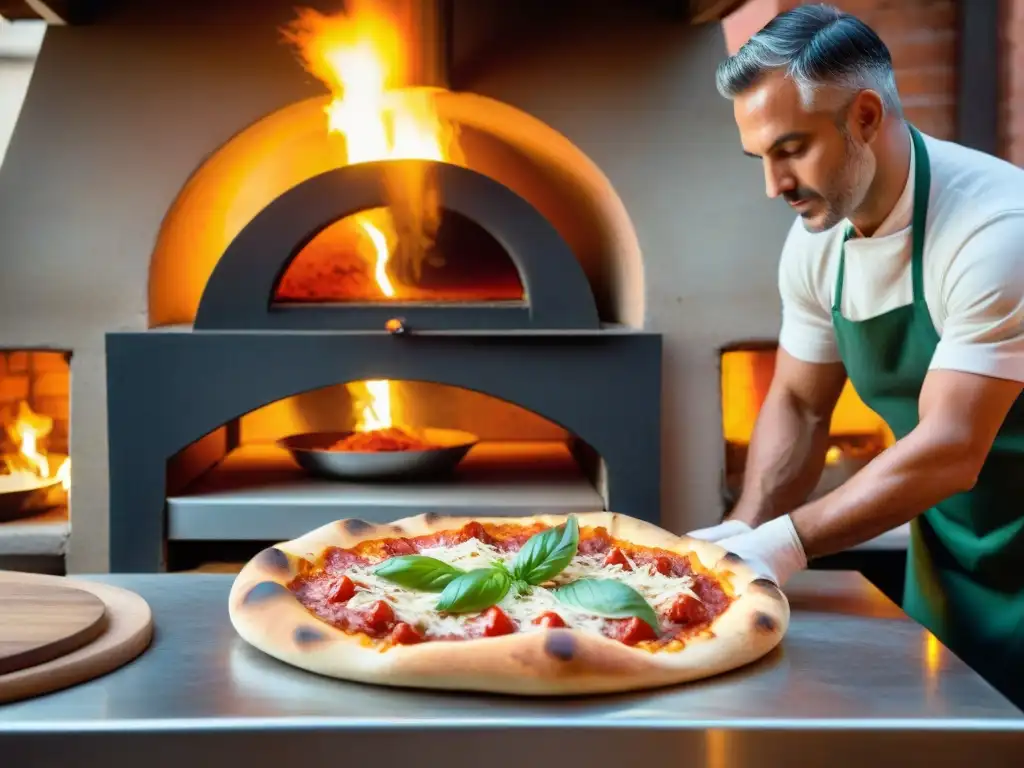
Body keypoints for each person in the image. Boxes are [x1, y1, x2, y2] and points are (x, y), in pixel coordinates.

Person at [688, 3, 1024, 707]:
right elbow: (799, 404)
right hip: (952, 559)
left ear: (866, 116)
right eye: (761, 158)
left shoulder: (998, 231)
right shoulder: (817, 242)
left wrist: (784, 544)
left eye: (790, 149)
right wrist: (743, 536)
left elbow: (951, 447)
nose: (773, 186)